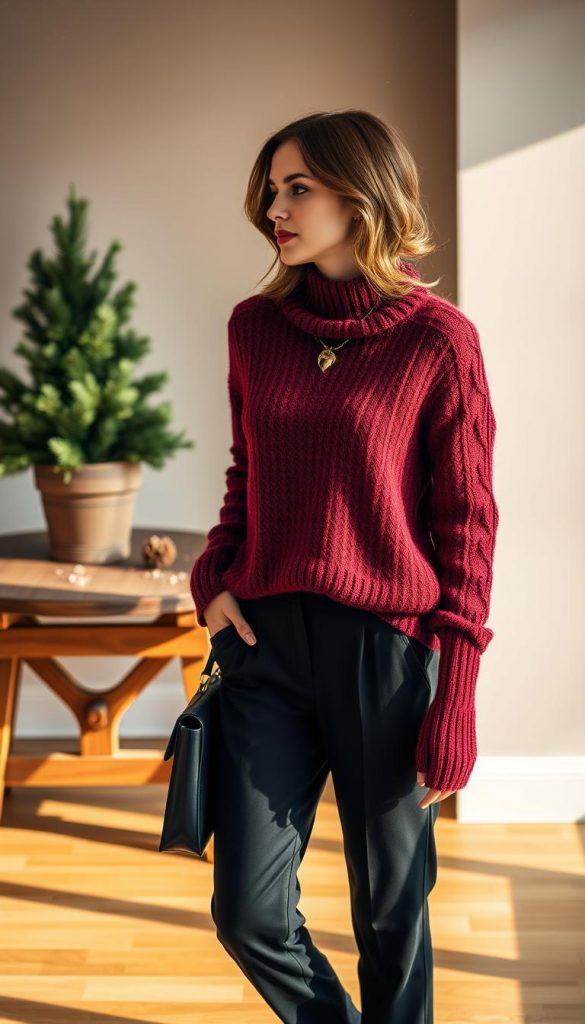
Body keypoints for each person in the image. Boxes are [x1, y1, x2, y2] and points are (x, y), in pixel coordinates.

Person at [190, 109, 499, 1024]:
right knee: (248, 914)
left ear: (361, 197)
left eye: (298, 188)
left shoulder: (439, 340)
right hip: (266, 647)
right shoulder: (254, 328)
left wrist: (456, 694)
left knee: (391, 918)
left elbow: (468, 524)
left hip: (385, 652)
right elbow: (247, 472)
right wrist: (214, 573)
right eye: (270, 191)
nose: (274, 209)